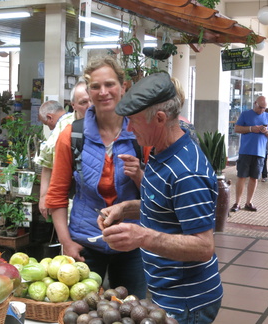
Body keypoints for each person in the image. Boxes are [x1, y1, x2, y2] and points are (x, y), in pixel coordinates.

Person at [97, 72, 223, 323]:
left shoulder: (187, 171)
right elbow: (166, 205)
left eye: (133, 122)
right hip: (165, 291)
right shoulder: (160, 150)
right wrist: (125, 209)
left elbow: (203, 247)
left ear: (160, 118)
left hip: (187, 301)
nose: (129, 130)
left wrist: (143, 236)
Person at [45, 56, 148, 298]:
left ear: (123, 87)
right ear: (89, 93)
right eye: (95, 86)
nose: (103, 92)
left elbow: (157, 197)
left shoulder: (140, 132)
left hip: (131, 242)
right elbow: (57, 195)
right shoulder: (72, 137)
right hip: (85, 243)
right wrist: (66, 242)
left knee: (131, 309)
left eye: (110, 84)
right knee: (82, 312)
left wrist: (139, 176)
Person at [230, 96, 268, 212]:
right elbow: (237, 129)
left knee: (254, 178)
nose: (262, 110)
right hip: (245, 151)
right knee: (241, 177)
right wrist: (251, 129)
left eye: (264, 108)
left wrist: (266, 131)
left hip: (260, 153)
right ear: (255, 103)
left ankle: (249, 202)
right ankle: (237, 203)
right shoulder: (245, 114)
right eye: (260, 107)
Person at [35, 100, 75, 219]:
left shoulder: (60, 129)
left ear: (49, 117)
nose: (49, 127)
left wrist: (43, 198)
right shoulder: (79, 120)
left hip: (68, 192)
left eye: (47, 124)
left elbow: (47, 166)